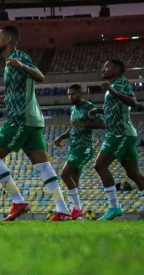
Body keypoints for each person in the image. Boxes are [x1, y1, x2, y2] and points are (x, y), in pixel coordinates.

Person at [0, 25, 71, 221]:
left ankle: (18, 201)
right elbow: (11, 97)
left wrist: (21, 65)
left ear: (8, 40)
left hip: (20, 119)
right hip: (32, 120)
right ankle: (63, 209)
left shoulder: (19, 57)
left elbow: (40, 76)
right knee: (42, 165)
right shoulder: (10, 63)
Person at [93, 60, 144, 220]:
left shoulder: (120, 82)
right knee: (133, 173)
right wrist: (99, 110)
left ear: (117, 69)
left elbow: (133, 102)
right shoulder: (113, 86)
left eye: (107, 66)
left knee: (100, 165)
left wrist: (112, 90)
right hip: (120, 133)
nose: (103, 69)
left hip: (121, 134)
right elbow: (116, 108)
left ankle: (114, 207)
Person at [54, 83, 106, 219]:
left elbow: (102, 124)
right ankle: (75, 213)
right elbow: (73, 128)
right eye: (69, 94)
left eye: (73, 94)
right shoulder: (73, 109)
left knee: (65, 174)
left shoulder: (88, 107)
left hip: (84, 148)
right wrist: (62, 136)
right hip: (73, 147)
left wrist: (83, 124)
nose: (70, 96)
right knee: (74, 180)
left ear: (79, 94)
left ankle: (77, 209)